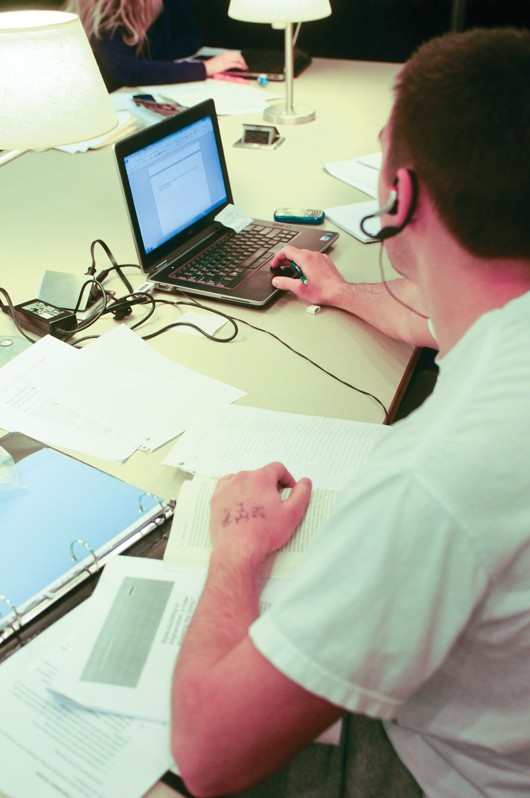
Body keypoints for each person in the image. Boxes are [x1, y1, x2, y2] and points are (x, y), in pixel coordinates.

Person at [171, 26, 530, 798]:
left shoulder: (435, 474)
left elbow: (207, 754)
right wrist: (339, 291)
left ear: (399, 196)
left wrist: (236, 551)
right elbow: (439, 322)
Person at [64, 0, 247, 92]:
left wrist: (155, 65)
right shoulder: (104, 14)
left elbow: (192, 35)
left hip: (137, 93)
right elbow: (128, 71)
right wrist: (205, 68)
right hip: (111, 105)